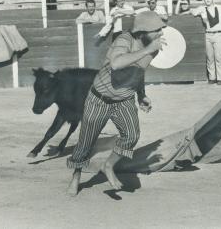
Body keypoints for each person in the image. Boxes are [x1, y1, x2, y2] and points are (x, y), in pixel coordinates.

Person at [66, 11, 166, 196]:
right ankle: (76, 175)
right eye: (157, 30)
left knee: (131, 135)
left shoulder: (153, 47)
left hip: (124, 99)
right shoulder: (124, 40)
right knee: (86, 142)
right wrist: (147, 49)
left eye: (161, 29)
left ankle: (108, 165)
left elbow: (138, 71)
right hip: (100, 98)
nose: (160, 33)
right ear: (142, 31)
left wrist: (141, 95)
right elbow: (117, 64)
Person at [182, 0, 221, 85]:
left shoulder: (220, 7)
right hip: (208, 35)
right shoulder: (202, 9)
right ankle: (212, 78)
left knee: (218, 57)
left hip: (218, 34)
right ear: (204, 0)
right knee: (210, 57)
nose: (208, 0)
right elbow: (193, 11)